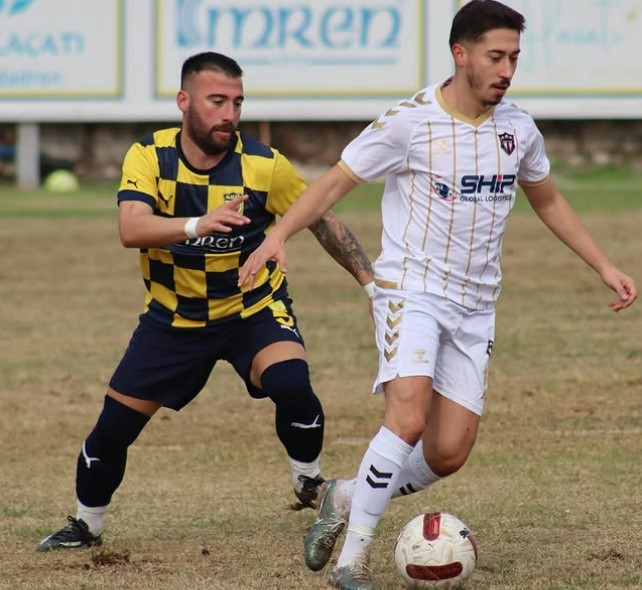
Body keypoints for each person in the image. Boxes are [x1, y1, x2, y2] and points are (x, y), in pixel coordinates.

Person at [237, 1, 638, 588]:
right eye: (495, 56)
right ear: (460, 54)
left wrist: (603, 264)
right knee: (407, 416)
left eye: (515, 58)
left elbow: (548, 199)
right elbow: (334, 183)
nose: (507, 70)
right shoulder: (411, 122)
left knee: (449, 451)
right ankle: (352, 560)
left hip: (476, 305)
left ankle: (346, 496)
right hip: (411, 289)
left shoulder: (518, 129)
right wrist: (277, 236)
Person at [36, 51, 374, 552]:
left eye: (237, 102)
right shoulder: (149, 156)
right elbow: (131, 228)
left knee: (292, 385)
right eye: (217, 101)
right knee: (111, 433)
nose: (229, 114)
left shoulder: (263, 164)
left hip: (251, 311)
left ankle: (308, 480)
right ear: (184, 101)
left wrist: (371, 284)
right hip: (174, 319)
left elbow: (321, 219)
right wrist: (199, 224)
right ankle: (87, 525)